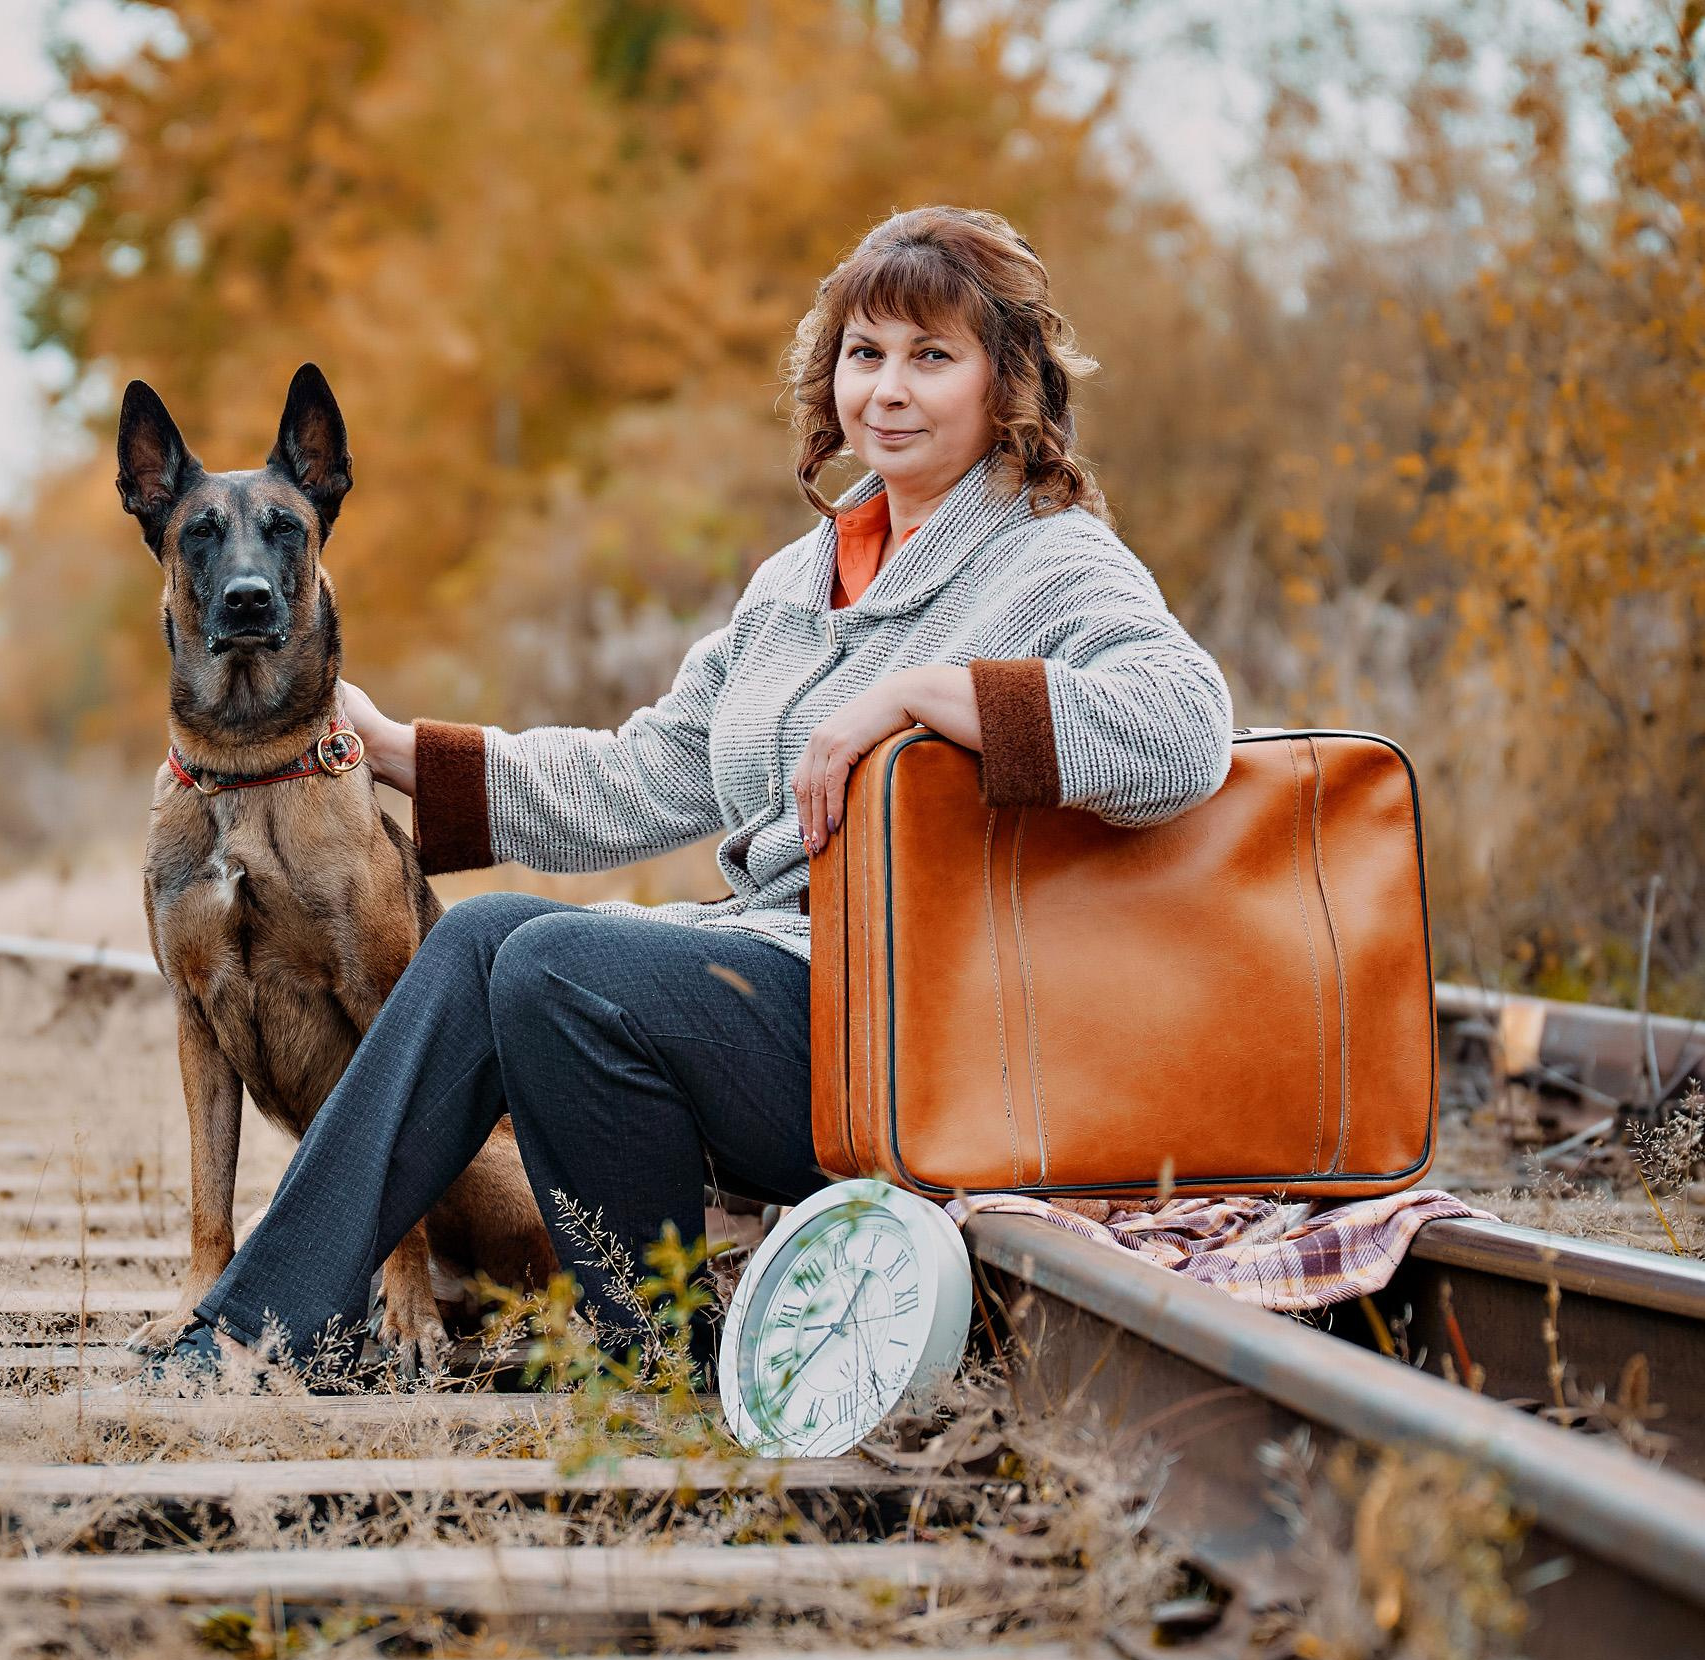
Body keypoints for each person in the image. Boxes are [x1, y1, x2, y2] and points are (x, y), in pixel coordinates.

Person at [150, 205, 1234, 1380]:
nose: (890, 390)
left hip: (929, 1027)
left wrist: (926, 693)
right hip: (775, 1000)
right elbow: (644, 771)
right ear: (831, 377)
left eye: (933, 356)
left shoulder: (1048, 555)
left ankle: (625, 1332)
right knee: (486, 942)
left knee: (556, 964)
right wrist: (402, 748)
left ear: (1004, 381)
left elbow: (1185, 729)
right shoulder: (796, 580)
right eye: (865, 355)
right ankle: (286, 1329)